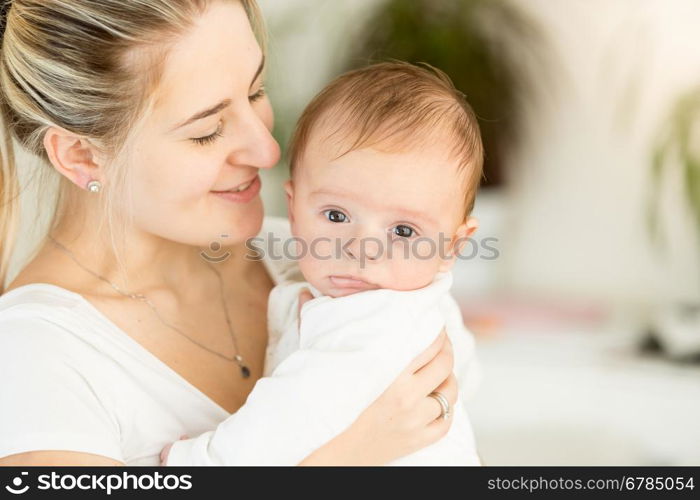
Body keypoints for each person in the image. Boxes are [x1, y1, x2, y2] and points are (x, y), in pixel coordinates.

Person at [0, 0, 460, 466]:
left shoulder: (317, 258)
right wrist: (345, 458)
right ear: (80, 155)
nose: (267, 149)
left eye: (257, 91)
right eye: (207, 130)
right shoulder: (33, 358)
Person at [162, 61, 484, 466]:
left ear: (453, 245)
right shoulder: (425, 300)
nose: (361, 249)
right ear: (294, 210)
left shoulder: (371, 322)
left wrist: (198, 461)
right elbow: (466, 375)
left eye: (403, 231)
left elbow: (288, 418)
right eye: (335, 216)